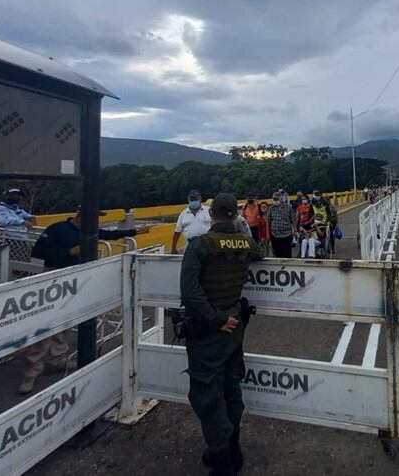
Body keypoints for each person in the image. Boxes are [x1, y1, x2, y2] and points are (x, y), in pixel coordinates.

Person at [21, 207, 150, 395]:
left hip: (78, 281)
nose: (97, 222)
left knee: (65, 322)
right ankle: (31, 373)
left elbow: (111, 234)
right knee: (45, 326)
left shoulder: (89, 232)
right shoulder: (57, 229)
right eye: (95, 217)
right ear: (82, 215)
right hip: (54, 281)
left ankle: (57, 360)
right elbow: (39, 252)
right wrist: (70, 252)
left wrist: (136, 231)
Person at [180, 193, 263, 475]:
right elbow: (261, 253)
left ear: (211, 213)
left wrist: (215, 320)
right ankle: (234, 447)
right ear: (235, 215)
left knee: (206, 395)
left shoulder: (199, 245)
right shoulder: (246, 243)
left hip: (210, 330)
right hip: (234, 326)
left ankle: (222, 454)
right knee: (230, 387)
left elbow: (190, 293)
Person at [266, 191, 296, 258]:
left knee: (286, 254)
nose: (275, 201)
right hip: (275, 235)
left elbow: (294, 221)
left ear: (281, 198)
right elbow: (268, 221)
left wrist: (295, 231)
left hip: (286, 235)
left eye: (276, 199)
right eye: (274, 199)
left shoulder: (289, 208)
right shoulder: (271, 208)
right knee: (276, 253)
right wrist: (268, 234)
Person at [310, 190, 336, 254]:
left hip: (325, 220)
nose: (317, 196)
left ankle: (332, 248)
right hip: (317, 221)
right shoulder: (312, 202)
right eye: (316, 194)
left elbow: (329, 213)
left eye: (318, 194)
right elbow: (311, 212)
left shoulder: (325, 202)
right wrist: (311, 219)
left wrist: (328, 221)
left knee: (330, 233)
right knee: (316, 234)